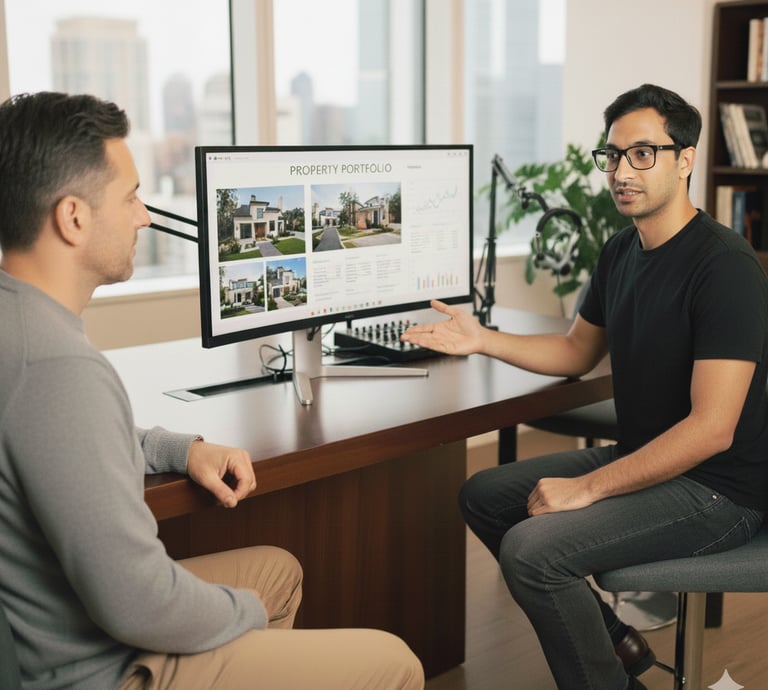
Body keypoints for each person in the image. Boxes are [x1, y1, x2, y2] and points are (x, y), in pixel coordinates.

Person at [0, 91, 424, 690]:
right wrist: (242, 613)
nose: (144, 217)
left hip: (68, 630)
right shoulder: (57, 367)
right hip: (103, 666)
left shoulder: (20, 329)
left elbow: (70, 436)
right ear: (73, 218)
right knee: (396, 662)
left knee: (279, 571)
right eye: (130, 198)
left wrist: (184, 449)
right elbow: (137, 603)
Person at [402, 83, 768, 690]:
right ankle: (615, 640)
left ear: (685, 160)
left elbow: (712, 429)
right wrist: (482, 338)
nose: (621, 172)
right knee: (485, 494)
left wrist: (587, 488)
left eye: (643, 154)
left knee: (533, 553)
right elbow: (576, 350)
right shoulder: (622, 250)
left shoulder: (725, 266)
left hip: (718, 491)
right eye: (614, 155)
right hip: (649, 458)